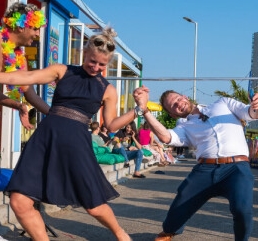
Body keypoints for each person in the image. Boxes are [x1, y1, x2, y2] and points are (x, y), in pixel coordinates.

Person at [0, 27, 138, 241]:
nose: (96, 67)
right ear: (85, 54)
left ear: (108, 64)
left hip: (76, 145)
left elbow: (111, 125)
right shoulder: (62, 71)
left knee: (94, 206)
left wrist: (137, 110)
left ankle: (121, 235)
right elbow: (29, 77)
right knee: (19, 201)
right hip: (45, 139)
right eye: (92, 61)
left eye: (102, 64)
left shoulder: (107, 89)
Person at [133, 86, 257, 241]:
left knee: (242, 208)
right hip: (205, 169)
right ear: (172, 114)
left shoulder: (223, 103)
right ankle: (168, 232)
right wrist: (144, 111)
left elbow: (250, 113)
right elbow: (166, 137)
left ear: (185, 97)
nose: (178, 104)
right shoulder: (183, 126)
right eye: (173, 106)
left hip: (236, 167)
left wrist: (255, 107)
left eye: (178, 99)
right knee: (182, 199)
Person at [0, 2, 50, 129]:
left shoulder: (19, 57)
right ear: (20, 26)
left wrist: (56, 115)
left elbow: (30, 93)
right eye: (35, 28)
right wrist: (17, 105)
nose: (38, 34)